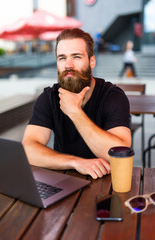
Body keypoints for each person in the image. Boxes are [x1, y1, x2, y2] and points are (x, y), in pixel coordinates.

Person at [22, 28, 131, 179]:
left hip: (107, 182)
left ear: (92, 61)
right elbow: (28, 149)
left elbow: (120, 153)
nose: (68, 65)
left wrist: (75, 112)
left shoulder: (112, 96)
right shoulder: (49, 97)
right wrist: (76, 162)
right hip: (64, 180)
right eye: (62, 58)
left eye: (76, 57)